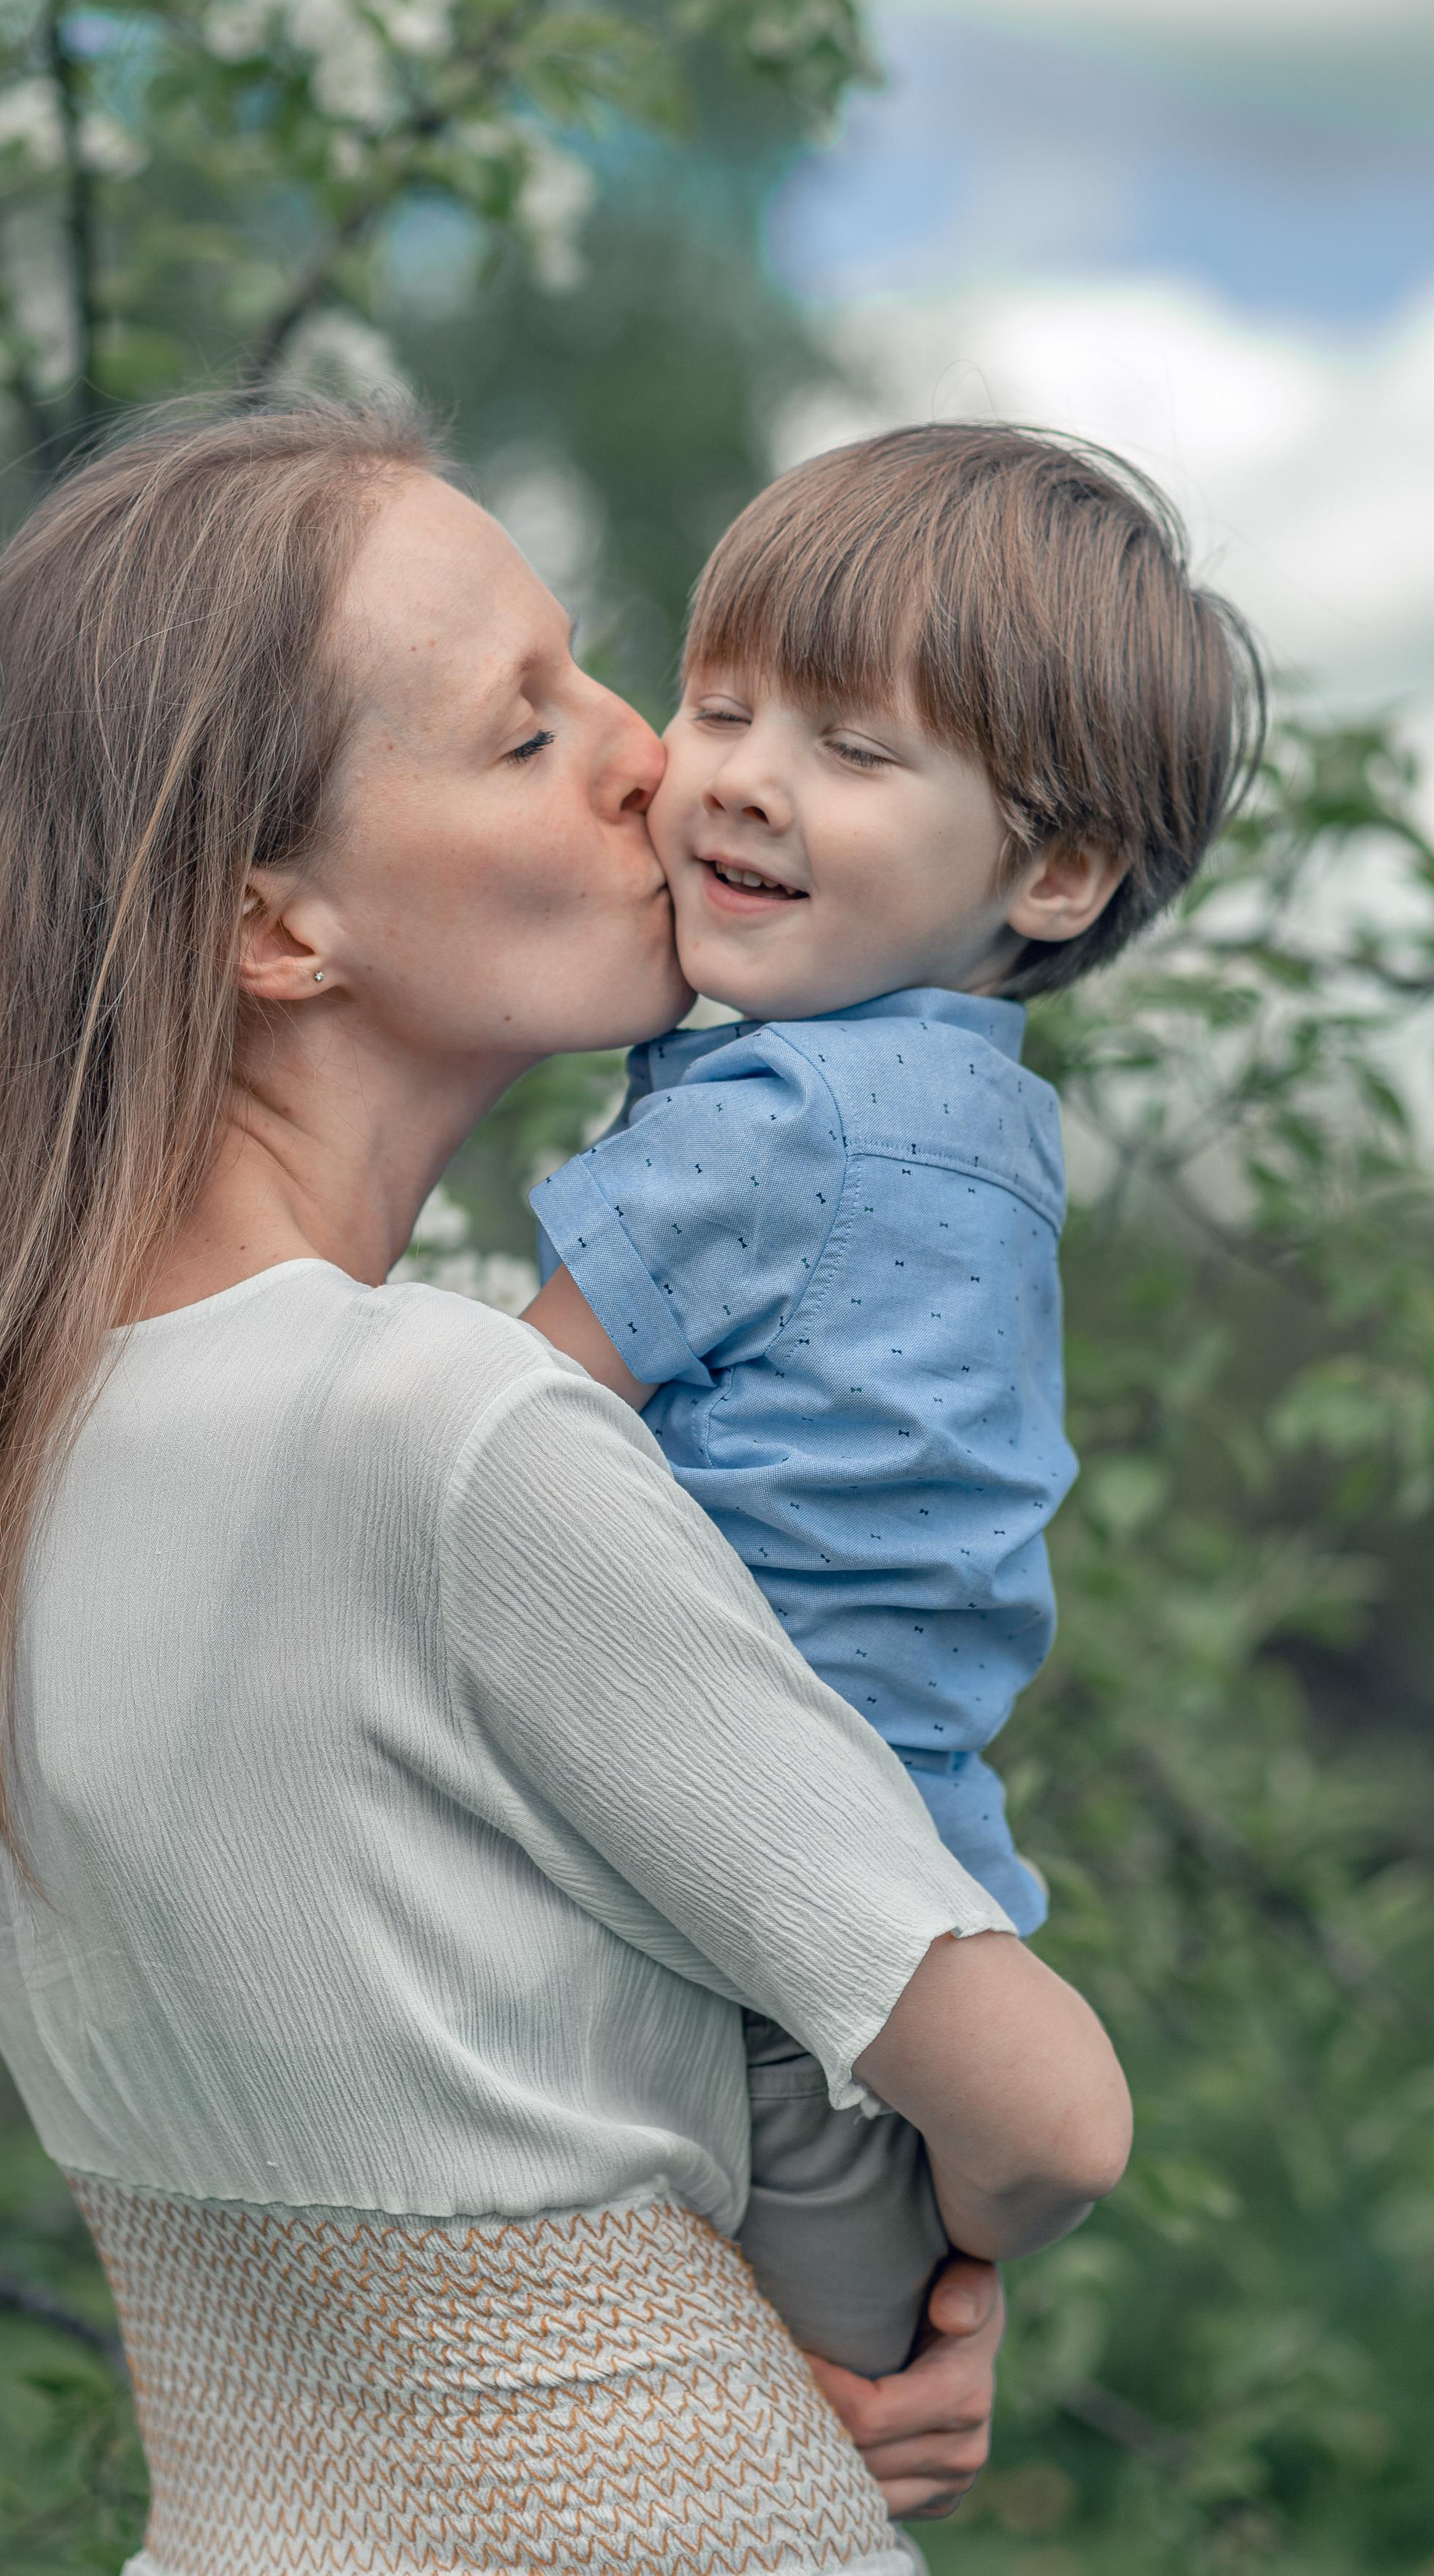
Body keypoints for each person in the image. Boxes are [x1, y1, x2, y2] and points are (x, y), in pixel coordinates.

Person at [0, 400, 1132, 2576]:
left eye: (602, 674)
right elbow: (1052, 2115)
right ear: (276, 924)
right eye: (521, 730)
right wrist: (914, 2288)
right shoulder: (450, 1431)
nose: (650, 760)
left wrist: (769, 2302)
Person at [525, 423, 1258, 2377]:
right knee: (848, 2389)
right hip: (912, 1884)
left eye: (852, 747)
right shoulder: (985, 1127)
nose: (741, 778)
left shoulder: (780, 1113)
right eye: (719, 703)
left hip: (719, 1877)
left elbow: (491, 1437)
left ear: (1057, 868)